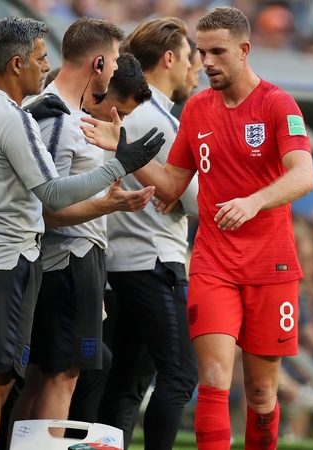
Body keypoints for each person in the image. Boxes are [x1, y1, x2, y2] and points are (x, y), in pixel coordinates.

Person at [81, 7, 313, 449]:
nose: (206, 62)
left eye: (217, 52)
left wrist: (254, 201)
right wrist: (125, 150)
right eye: (202, 52)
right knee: (210, 381)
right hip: (213, 264)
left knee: (262, 394)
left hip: (272, 265)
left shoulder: (277, 104)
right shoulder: (198, 109)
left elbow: (304, 175)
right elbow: (173, 182)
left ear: (244, 51)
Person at [0, 17, 163, 450]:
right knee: (3, 383)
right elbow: (53, 196)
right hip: (12, 259)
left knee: (9, 381)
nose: (45, 67)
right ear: (16, 62)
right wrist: (121, 164)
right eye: (41, 59)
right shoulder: (26, 117)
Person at [11, 17, 157, 432]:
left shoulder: (68, 116)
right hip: (67, 261)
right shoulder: (57, 119)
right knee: (62, 376)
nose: (115, 69)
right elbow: (47, 207)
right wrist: (110, 204)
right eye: (112, 60)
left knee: (44, 377)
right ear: (97, 63)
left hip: (72, 262)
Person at [97, 18, 200, 450]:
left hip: (121, 265)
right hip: (155, 262)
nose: (196, 68)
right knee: (180, 376)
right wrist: (177, 189)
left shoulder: (129, 114)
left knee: (125, 385)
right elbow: (196, 200)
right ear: (170, 58)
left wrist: (174, 188)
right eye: (193, 57)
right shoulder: (156, 118)